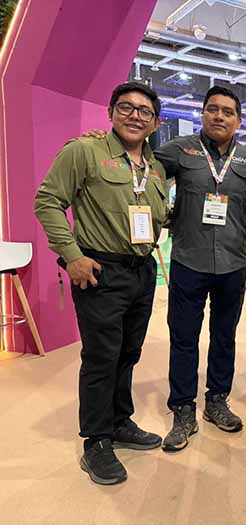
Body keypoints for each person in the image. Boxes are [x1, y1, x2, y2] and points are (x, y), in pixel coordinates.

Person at [34, 82, 167, 485]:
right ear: (110, 113)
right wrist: (72, 256)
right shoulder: (84, 151)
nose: (135, 116)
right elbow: (47, 201)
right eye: (126, 107)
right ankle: (96, 441)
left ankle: (119, 421)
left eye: (145, 111)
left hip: (142, 271)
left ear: (155, 123)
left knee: (128, 352)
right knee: (101, 357)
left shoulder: (155, 167)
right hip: (101, 271)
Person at [156, 86, 246, 451]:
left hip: (233, 262)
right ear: (202, 114)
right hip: (189, 260)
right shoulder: (179, 150)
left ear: (239, 121)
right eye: (213, 109)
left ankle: (217, 400)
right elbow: (140, 166)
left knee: (224, 336)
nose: (219, 116)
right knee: (184, 337)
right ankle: (183, 408)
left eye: (228, 112)